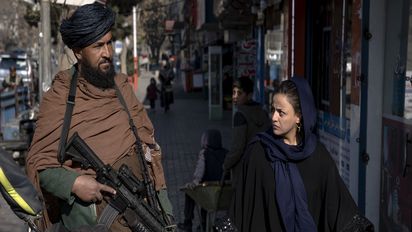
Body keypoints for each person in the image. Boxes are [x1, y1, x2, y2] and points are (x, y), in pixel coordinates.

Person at [25, 3, 172, 231]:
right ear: (78, 52)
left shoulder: (122, 88)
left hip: (138, 216)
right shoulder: (61, 97)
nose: (108, 53)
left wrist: (167, 215)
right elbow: (39, 164)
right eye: (98, 46)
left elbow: (150, 154)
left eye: (110, 43)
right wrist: (73, 183)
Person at [229, 77, 373, 231]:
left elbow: (339, 207)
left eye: (281, 113)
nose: (274, 117)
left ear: (298, 116)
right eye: (273, 110)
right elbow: (241, 208)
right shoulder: (259, 152)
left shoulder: (318, 156)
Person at [222, 76, 271, 187]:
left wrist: (226, 164)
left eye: (239, 93)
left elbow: (237, 148)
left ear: (249, 95)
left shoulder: (240, 115)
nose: (235, 97)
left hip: (244, 171)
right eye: (234, 92)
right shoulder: (262, 112)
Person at [178, 129, 228, 232]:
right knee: (206, 196)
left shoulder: (204, 153)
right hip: (223, 191)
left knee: (191, 192)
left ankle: (188, 223)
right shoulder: (227, 153)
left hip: (208, 190)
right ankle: (205, 224)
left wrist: (193, 183)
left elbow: (199, 173)